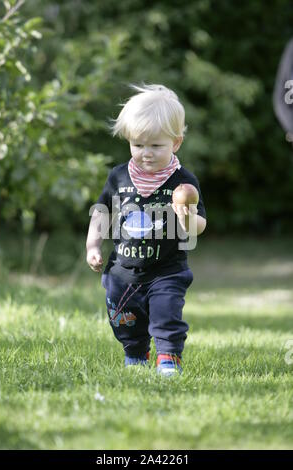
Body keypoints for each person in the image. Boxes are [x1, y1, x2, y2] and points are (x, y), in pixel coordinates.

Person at [86, 84, 207, 376]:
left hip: (167, 270)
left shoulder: (183, 182)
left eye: (156, 146)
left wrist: (187, 216)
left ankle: (168, 357)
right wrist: (93, 245)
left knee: (166, 315)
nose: (146, 154)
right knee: (125, 321)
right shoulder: (118, 176)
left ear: (176, 143)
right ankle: (135, 353)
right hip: (122, 271)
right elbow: (102, 212)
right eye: (138, 145)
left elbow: (200, 224)